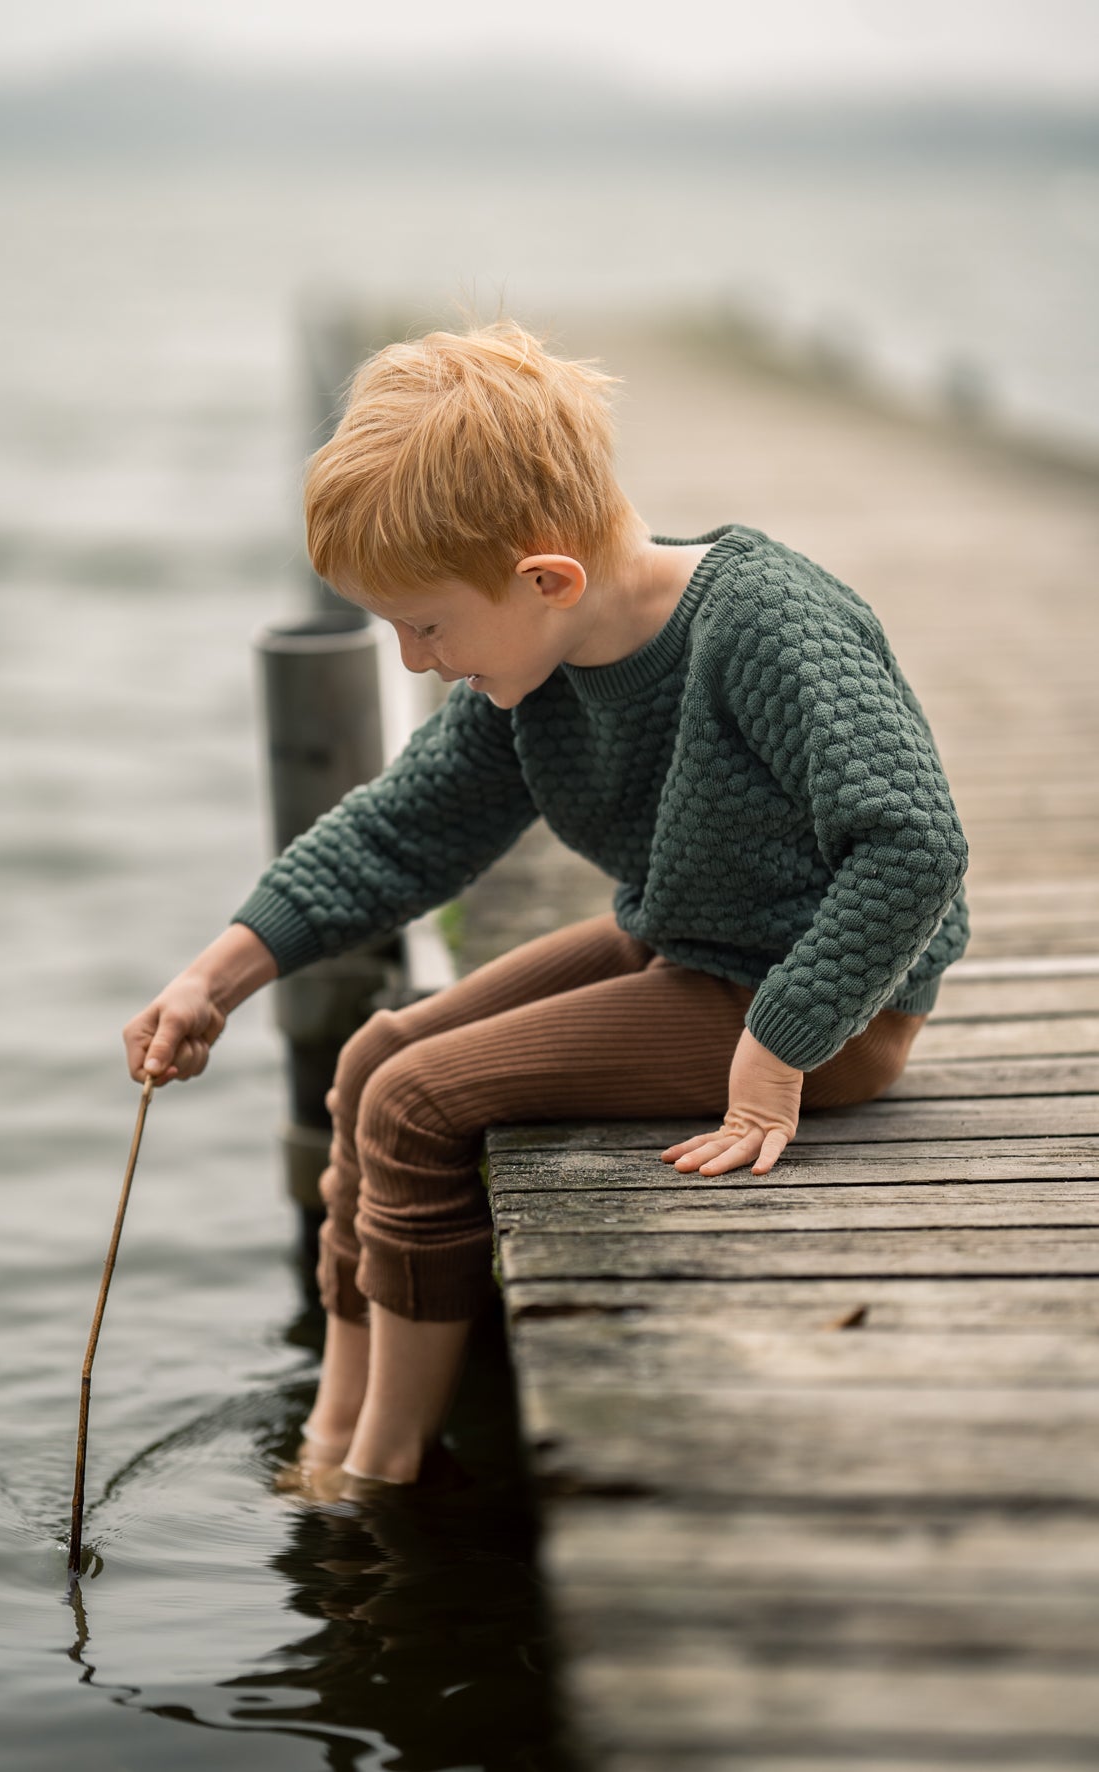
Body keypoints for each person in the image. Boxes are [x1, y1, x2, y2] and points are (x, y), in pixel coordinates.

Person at [123, 318, 970, 1499]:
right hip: (686, 941)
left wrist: (778, 1047)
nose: (416, 661)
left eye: (425, 624)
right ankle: (333, 1414)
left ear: (544, 578)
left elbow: (914, 843)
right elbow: (404, 826)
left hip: (821, 1005)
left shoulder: (767, 626)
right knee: (375, 1054)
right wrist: (214, 973)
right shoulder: (540, 657)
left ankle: (381, 1474)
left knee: (419, 1105)